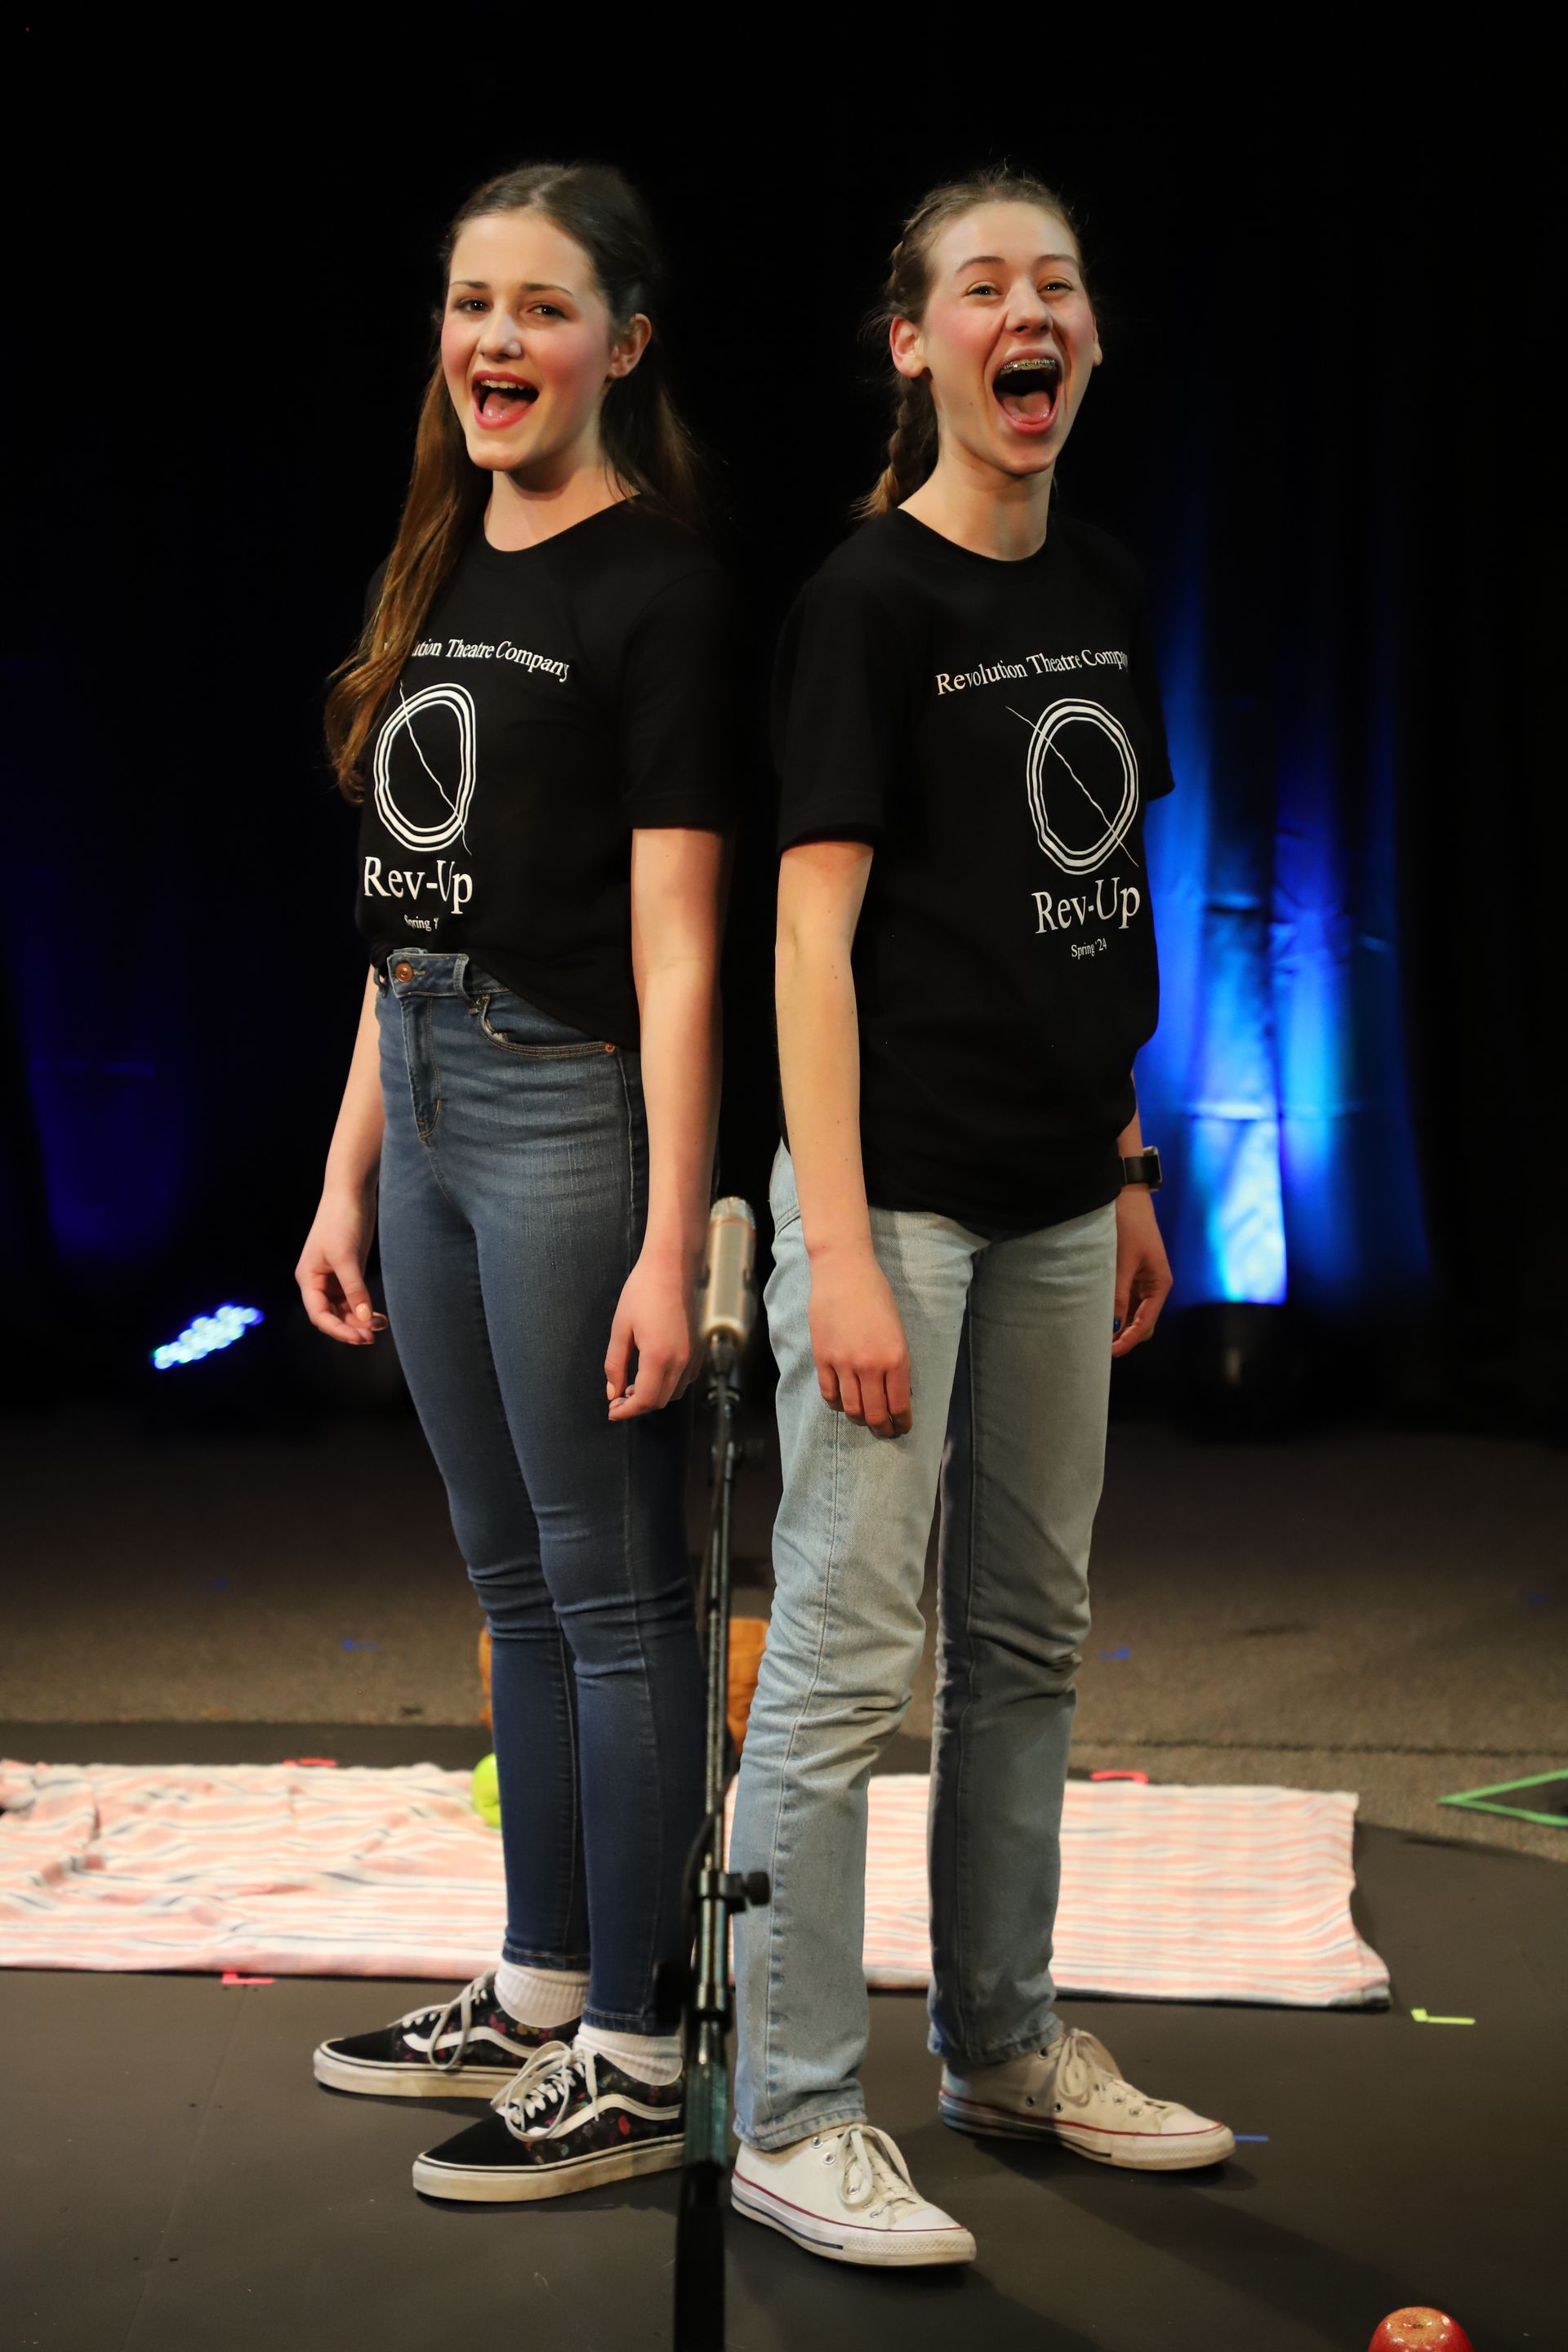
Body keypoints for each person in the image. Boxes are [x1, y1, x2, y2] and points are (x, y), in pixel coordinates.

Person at [728, 167, 1234, 2268]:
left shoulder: (1102, 582)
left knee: (1027, 1645)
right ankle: (792, 2113)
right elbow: (809, 937)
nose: (1029, 317)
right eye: (983, 289)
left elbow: (1090, 897)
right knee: (847, 1663)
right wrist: (835, 1246)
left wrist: (1121, 1161)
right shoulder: (868, 604)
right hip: (899, 1208)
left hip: (1047, 1202)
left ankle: (1007, 2045)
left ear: (1086, 344)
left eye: (1061, 286)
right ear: (916, 344)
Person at [295, 161, 735, 2203]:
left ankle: (643, 2049)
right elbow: (405, 911)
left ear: (620, 347)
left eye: (542, 309)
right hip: (426, 1093)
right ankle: (545, 1980)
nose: (495, 343)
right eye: (472, 303)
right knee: (516, 1590)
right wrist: (346, 1167)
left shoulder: (657, 586)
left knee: (624, 1595)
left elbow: (676, 942)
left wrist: (672, 1233)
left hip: (571, 1119)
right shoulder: (436, 565)